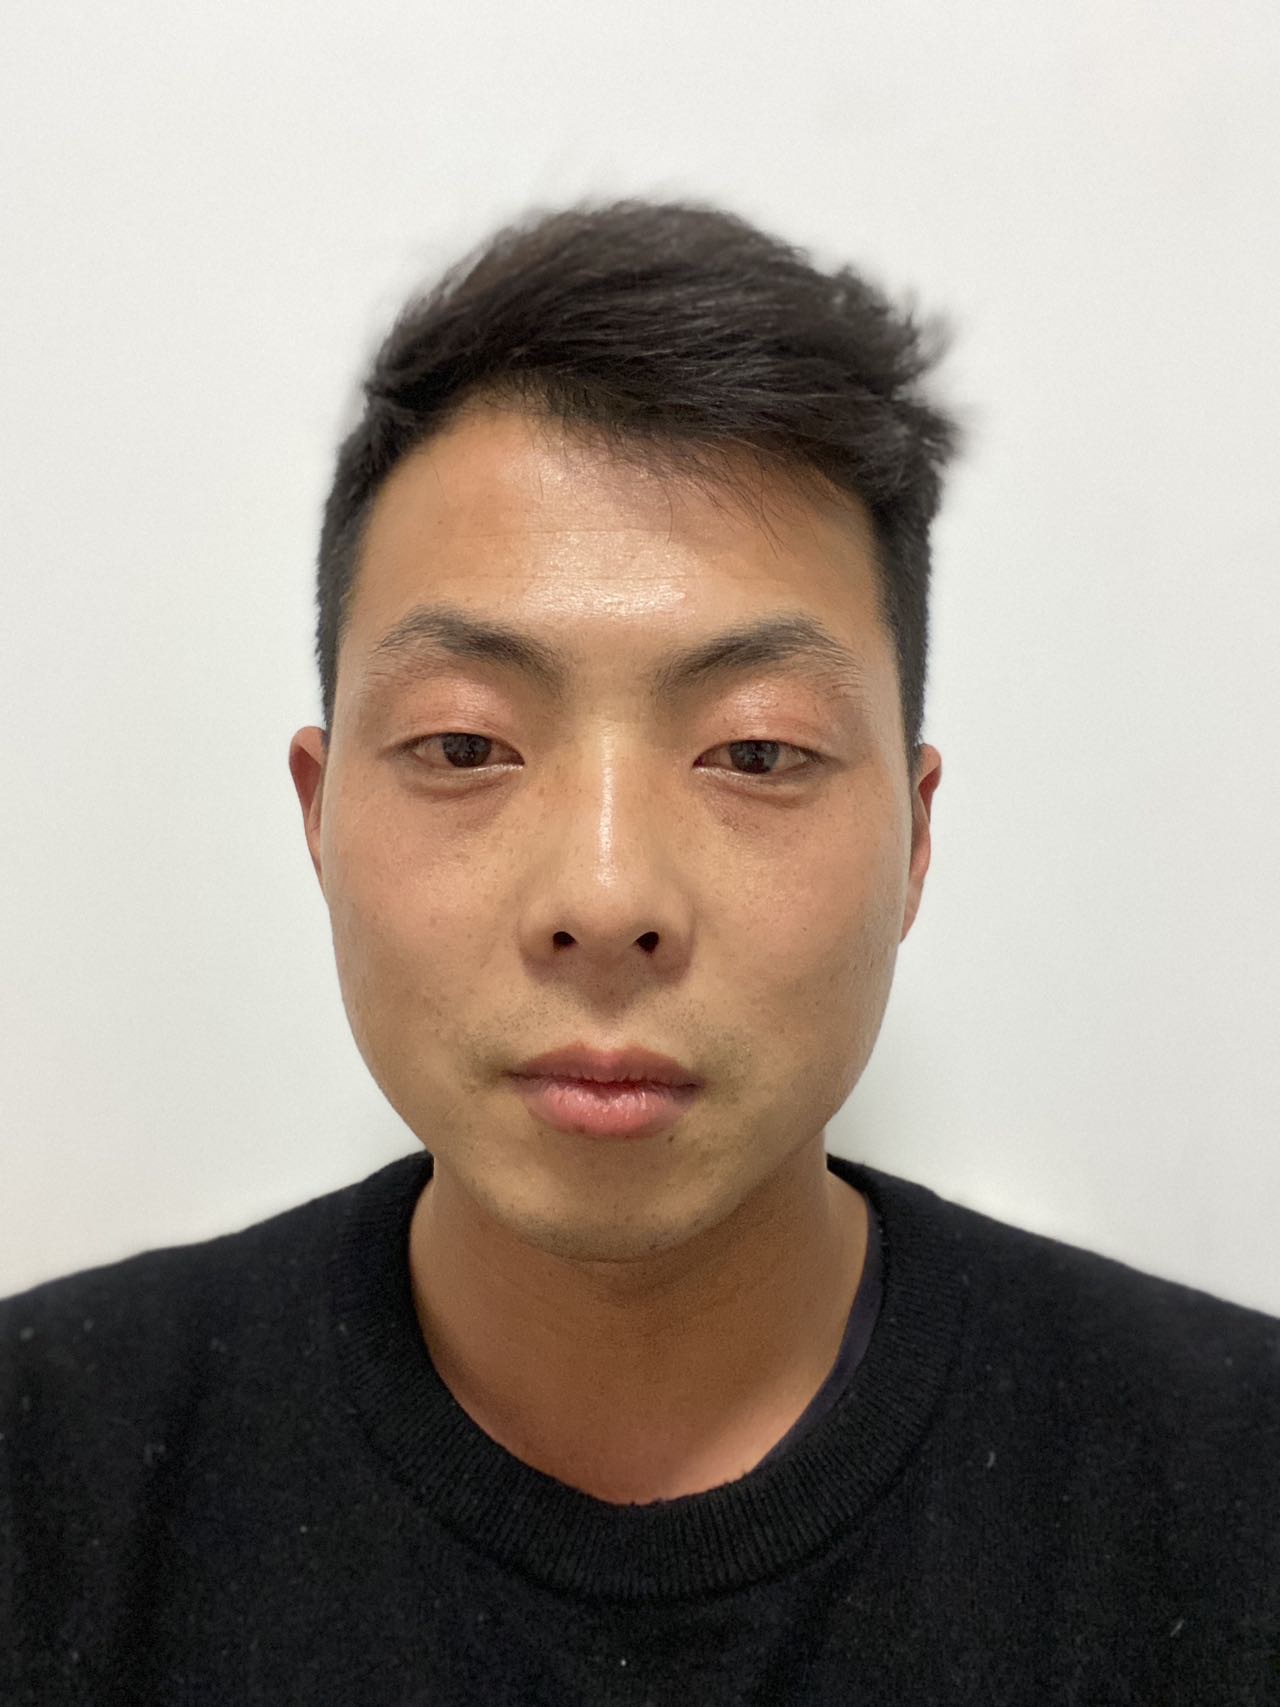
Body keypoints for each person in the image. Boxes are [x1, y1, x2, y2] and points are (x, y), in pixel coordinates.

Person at [2, 195, 1276, 1705]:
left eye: (756, 753)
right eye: (465, 744)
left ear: (915, 839)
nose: (606, 899)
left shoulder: (1233, 1492)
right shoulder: (46, 1478)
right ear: (321, 812)